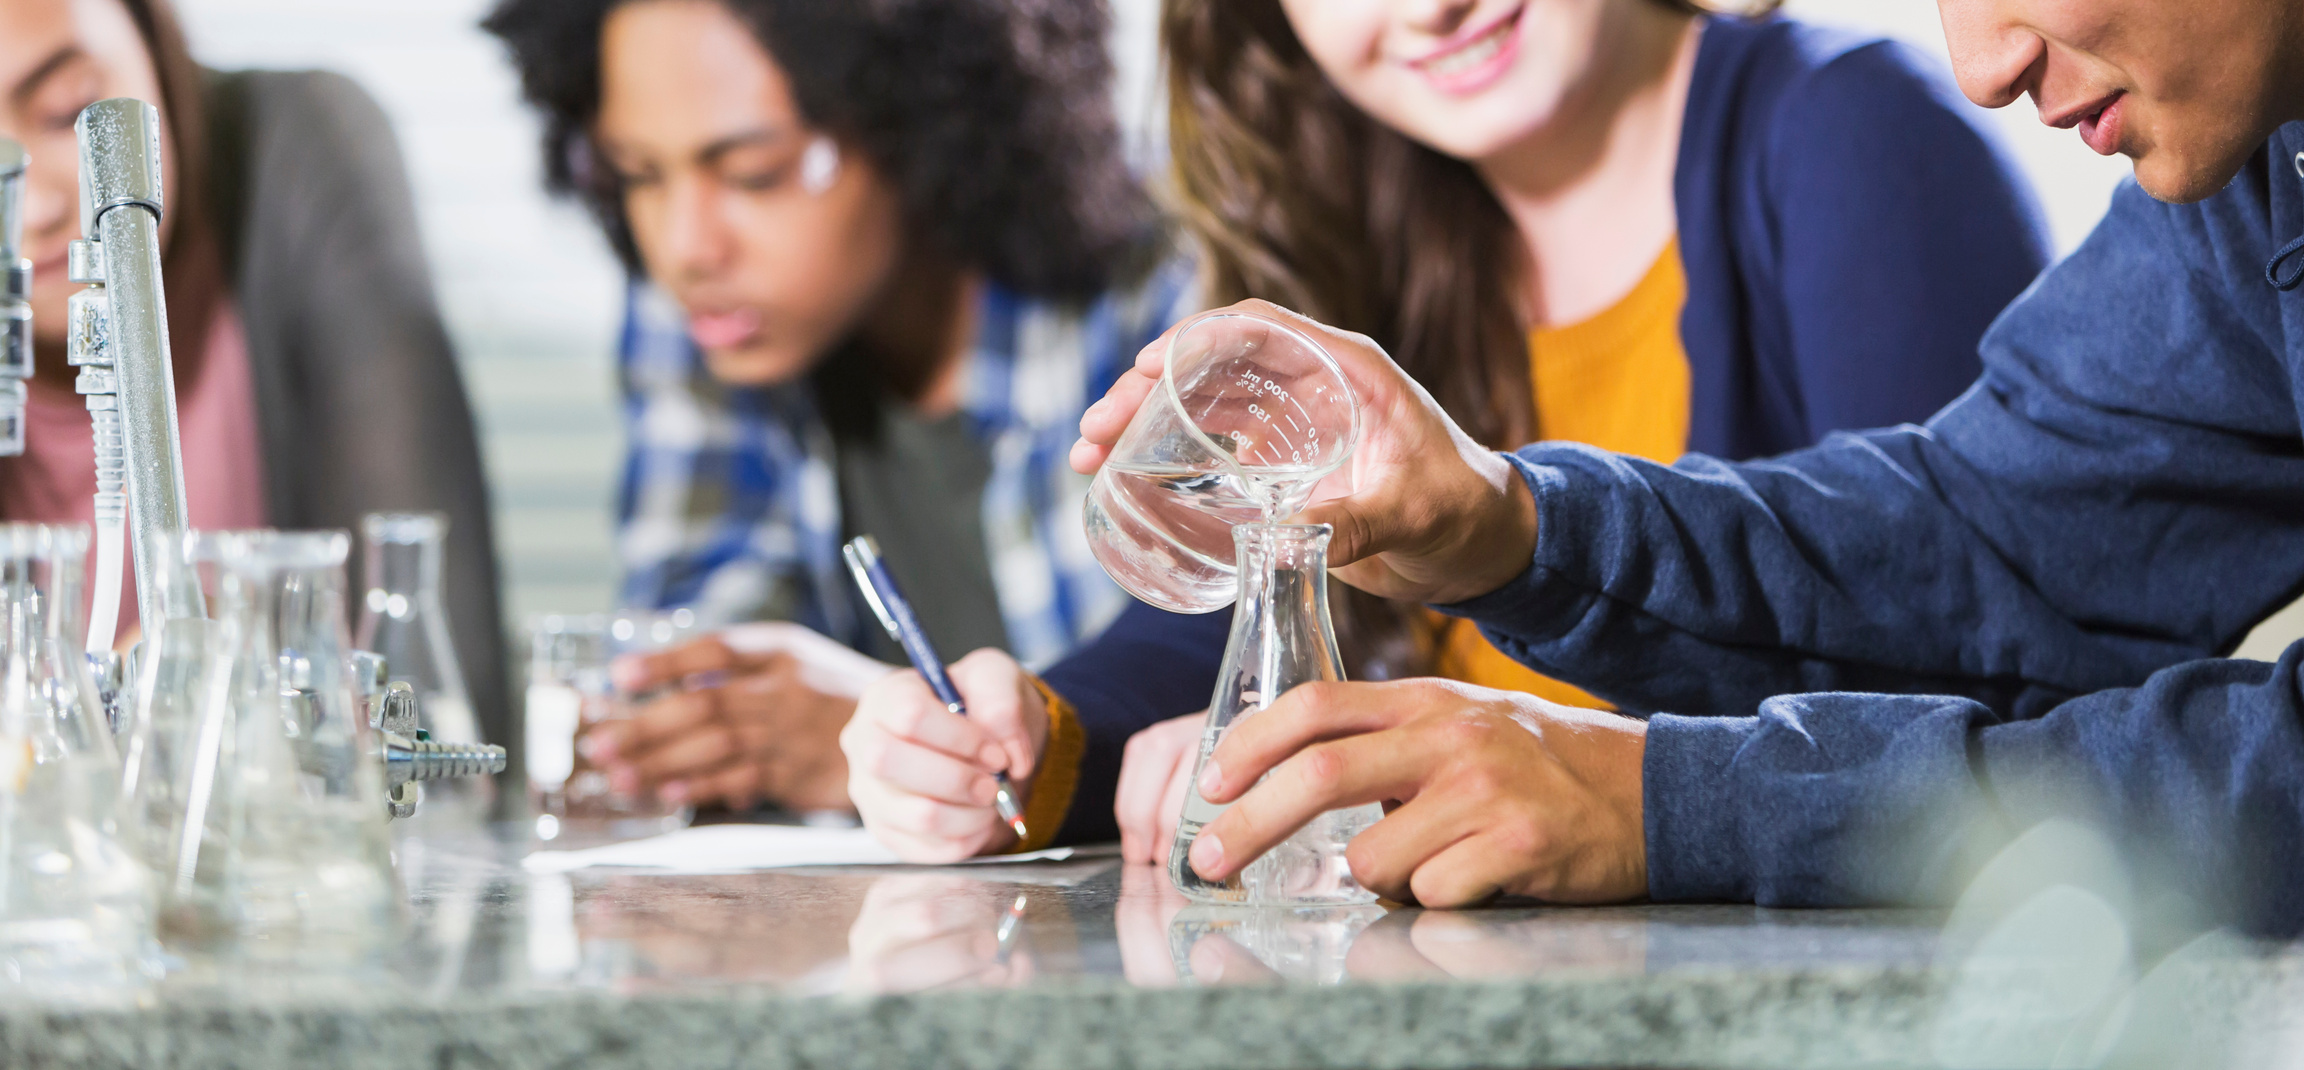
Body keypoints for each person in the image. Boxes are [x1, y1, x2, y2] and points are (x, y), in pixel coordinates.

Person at [1057, 0, 2304, 932]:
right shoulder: (2258, 175)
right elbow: (2003, 536)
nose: (1984, 67)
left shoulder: (1843, 124)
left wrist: (1678, 799)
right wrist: (1513, 524)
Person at [842, 0, 2052, 861]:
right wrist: (1019, 741)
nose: (1428, 6)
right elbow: (1222, 627)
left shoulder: (1854, 134)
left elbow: (1945, 674)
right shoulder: (1358, 214)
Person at [485, 0, 1192, 815]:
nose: (686, 246)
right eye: (638, 174)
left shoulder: (1166, 306)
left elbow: (1208, 693)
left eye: (755, 173)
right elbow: (704, 664)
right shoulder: (712, 317)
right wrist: (706, 728)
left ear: (926, 120)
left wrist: (876, 738)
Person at [0, 0, 509, 739]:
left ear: (156, 42)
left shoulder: (300, 148)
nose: (34, 207)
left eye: (68, 110)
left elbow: (433, 708)